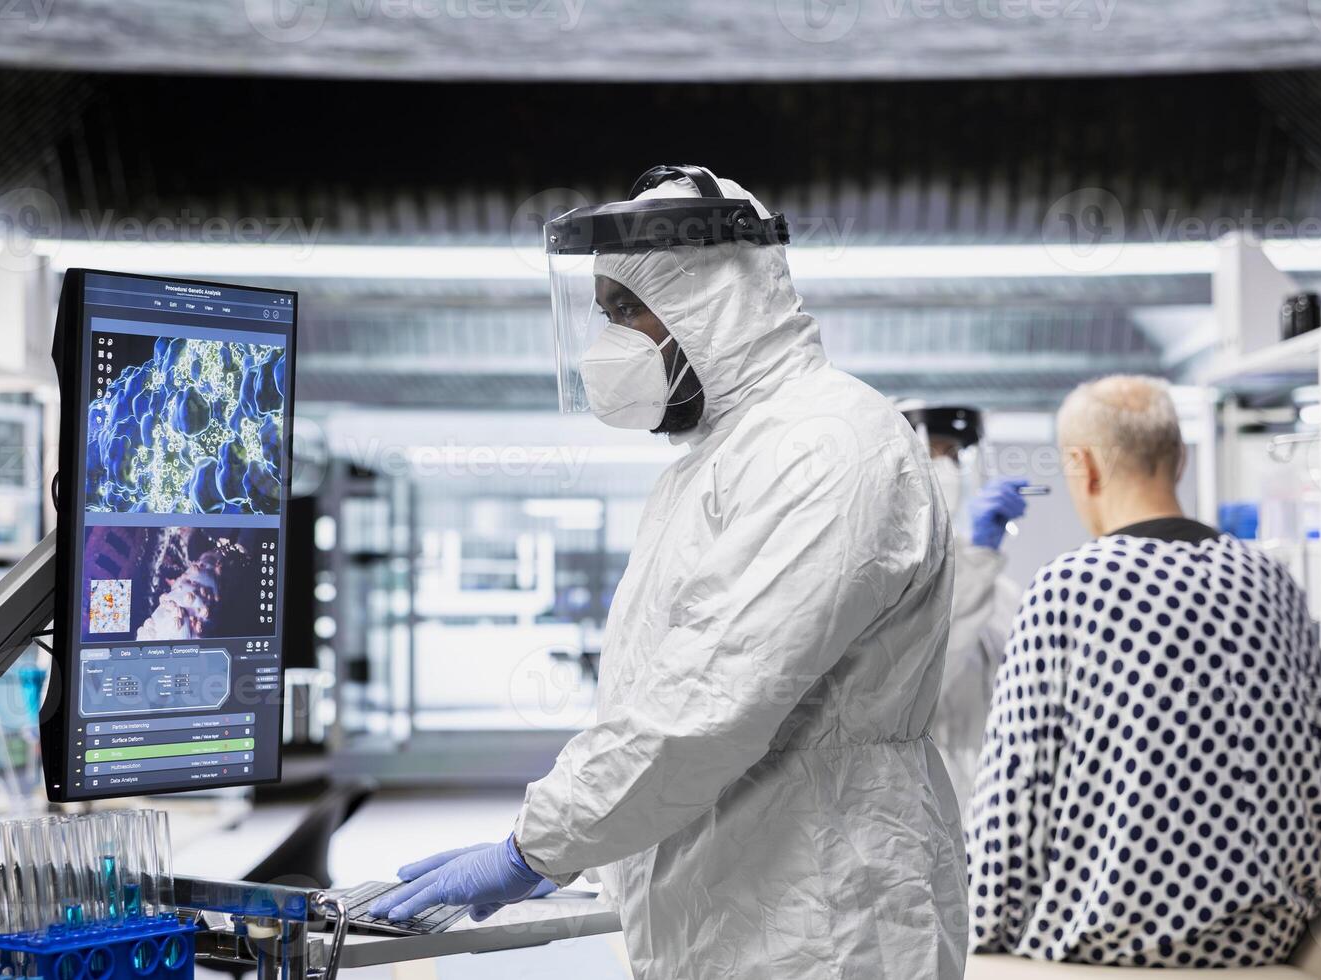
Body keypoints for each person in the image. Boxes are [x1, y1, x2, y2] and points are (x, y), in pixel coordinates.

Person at [369, 165, 969, 978]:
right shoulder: (724, 456)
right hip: (749, 904)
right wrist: (582, 850)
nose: (608, 340)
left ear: (713, 298)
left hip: (825, 919)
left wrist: (537, 847)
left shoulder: (825, 445)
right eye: (603, 312)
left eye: (627, 310)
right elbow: (670, 692)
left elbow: (708, 701)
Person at [968, 375, 1321, 968]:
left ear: (1083, 466)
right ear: (1177, 459)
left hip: (1106, 954)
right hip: (1272, 949)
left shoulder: (1070, 588)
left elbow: (1014, 795)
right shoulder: (1269, 581)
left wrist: (979, 934)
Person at [904, 405, 1033, 819]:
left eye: (954, 455)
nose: (947, 466)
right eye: (935, 452)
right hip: (923, 815)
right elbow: (927, 682)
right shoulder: (887, 579)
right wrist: (979, 559)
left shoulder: (1000, 589)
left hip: (994, 812)